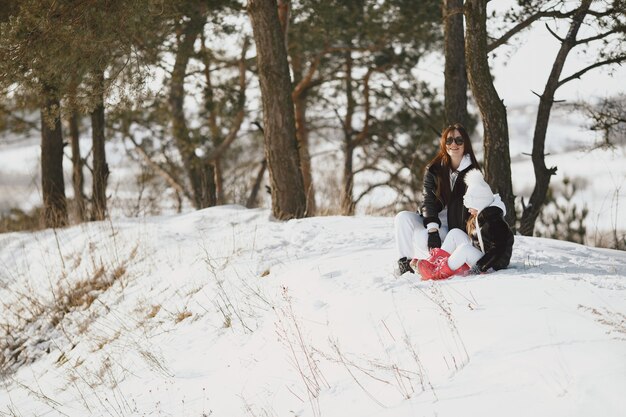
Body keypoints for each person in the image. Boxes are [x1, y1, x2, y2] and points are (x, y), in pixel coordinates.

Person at [395, 123, 481, 275]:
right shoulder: (434, 169)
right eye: (449, 140)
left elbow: (487, 199)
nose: (453, 144)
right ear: (444, 144)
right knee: (402, 217)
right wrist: (433, 230)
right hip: (433, 223)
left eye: (459, 140)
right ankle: (404, 264)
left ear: (465, 143)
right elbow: (428, 200)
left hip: (454, 230)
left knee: (422, 238)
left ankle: (437, 265)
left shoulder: (473, 172)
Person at [412, 169, 514, 280]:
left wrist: (480, 267)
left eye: (471, 206)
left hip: (491, 265)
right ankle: (434, 263)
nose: (469, 210)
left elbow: (498, 248)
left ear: (480, 203)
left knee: (464, 249)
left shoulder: (494, 221)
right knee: (455, 233)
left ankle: (437, 272)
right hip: (482, 254)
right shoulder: (483, 215)